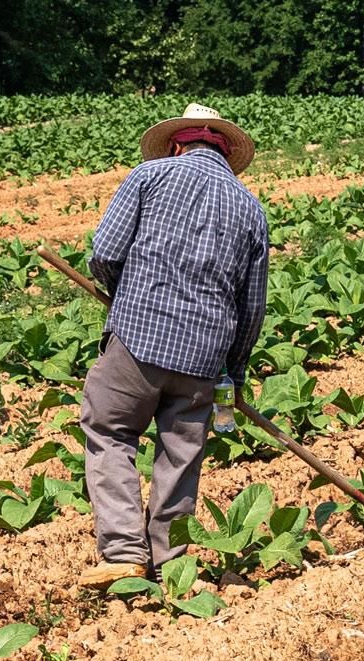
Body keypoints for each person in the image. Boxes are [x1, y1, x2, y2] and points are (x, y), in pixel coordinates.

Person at [77, 103, 269, 588]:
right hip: (205, 358)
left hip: (138, 340)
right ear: (225, 152)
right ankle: (171, 565)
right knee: (180, 456)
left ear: (179, 142)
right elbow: (252, 308)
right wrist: (235, 370)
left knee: (110, 430)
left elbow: (105, 253)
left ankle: (122, 550)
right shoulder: (251, 209)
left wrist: (127, 294)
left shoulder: (149, 176)